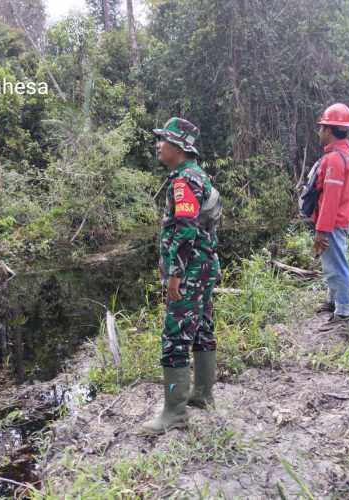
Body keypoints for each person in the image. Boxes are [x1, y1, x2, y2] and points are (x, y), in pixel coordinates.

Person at [139, 117, 220, 435]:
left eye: (164, 140)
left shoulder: (184, 181)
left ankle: (174, 412)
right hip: (203, 266)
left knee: (175, 337)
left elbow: (185, 230)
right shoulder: (198, 176)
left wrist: (174, 274)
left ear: (180, 148)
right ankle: (202, 395)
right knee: (201, 328)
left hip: (190, 270)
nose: (159, 145)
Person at [311, 103, 349, 329]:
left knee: (337, 265)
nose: (319, 132)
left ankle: (344, 311)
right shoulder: (346, 153)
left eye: (321, 128)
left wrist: (321, 230)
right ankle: (332, 301)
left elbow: (330, 199)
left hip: (332, 221)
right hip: (339, 218)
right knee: (331, 262)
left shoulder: (335, 160)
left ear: (329, 130)